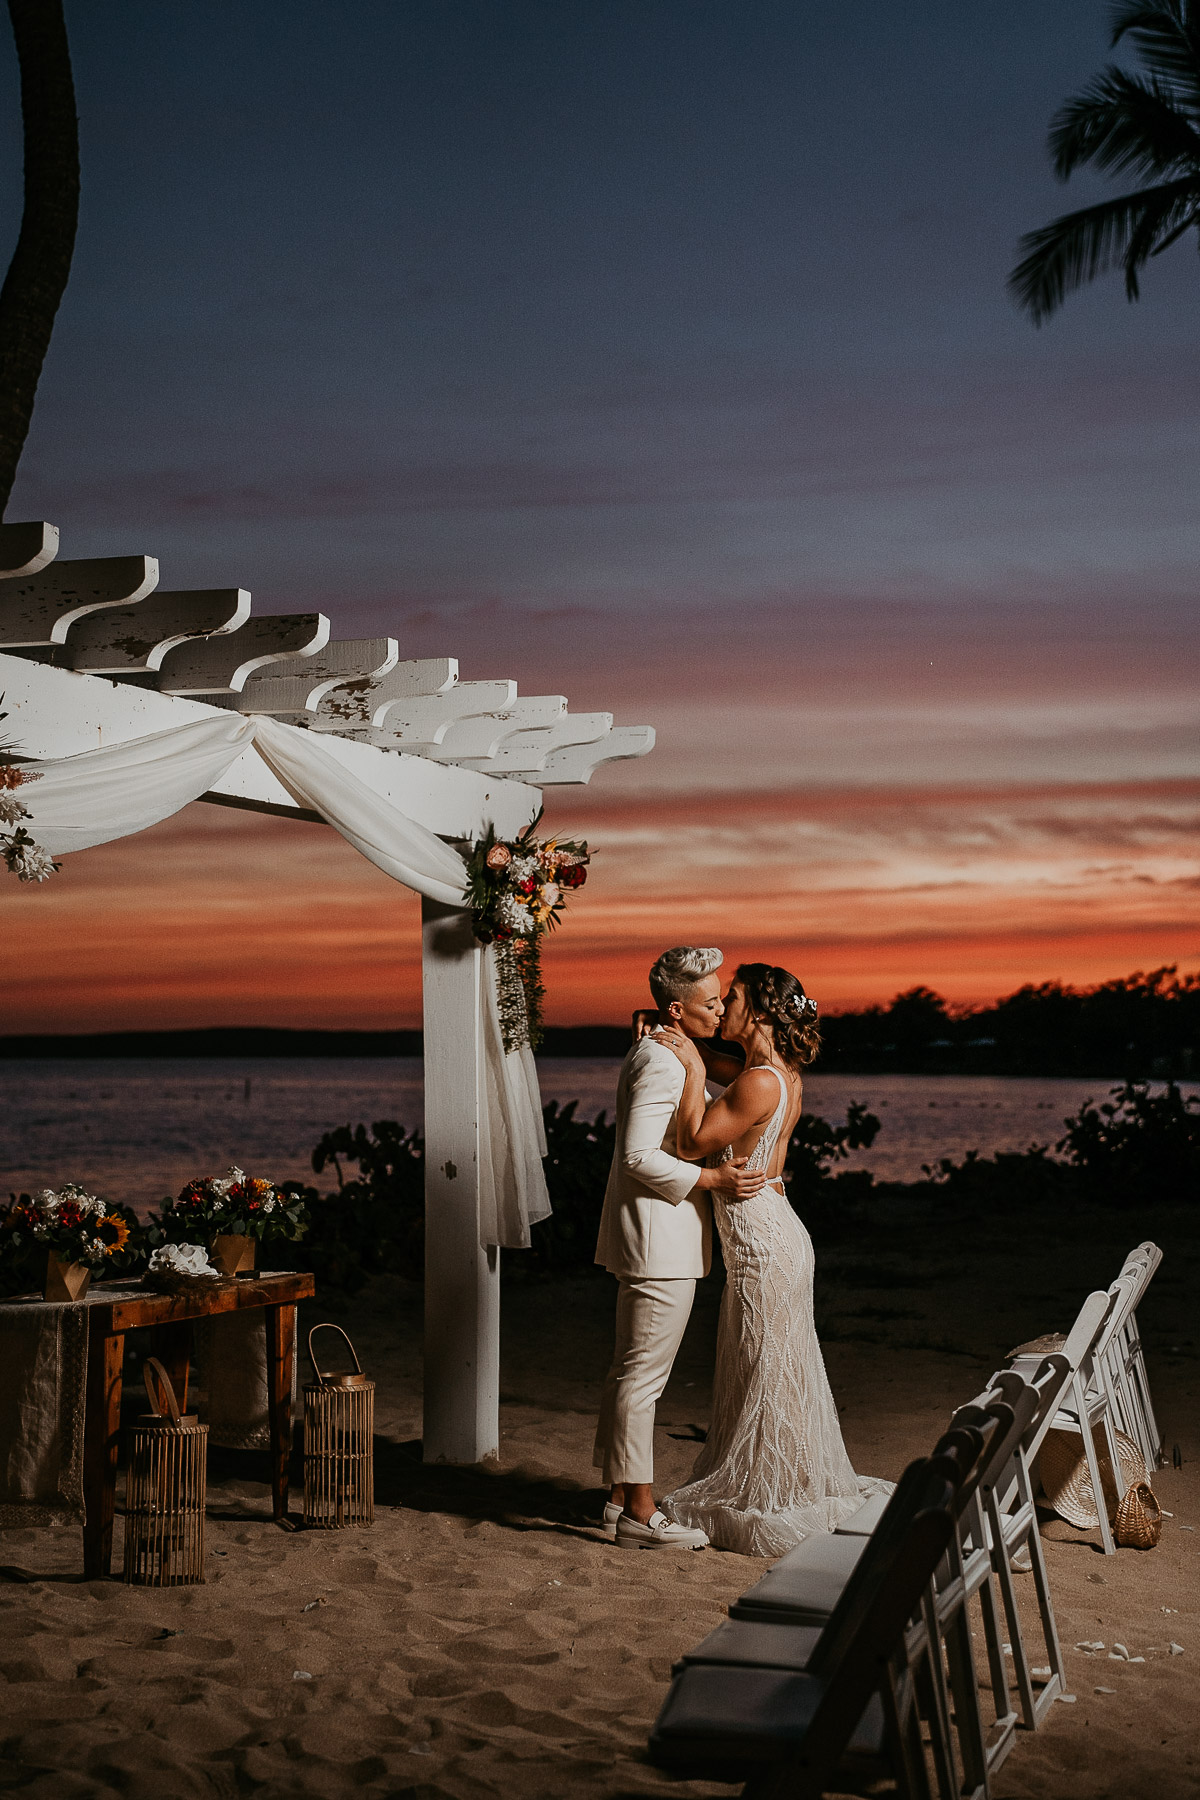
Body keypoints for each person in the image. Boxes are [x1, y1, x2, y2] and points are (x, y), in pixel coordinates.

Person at [654, 962, 892, 1556]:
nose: (720, 1005)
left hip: (763, 1244)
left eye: (730, 996)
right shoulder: (776, 1073)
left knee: (767, 1370)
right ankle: (783, 1480)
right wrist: (705, 1066)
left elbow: (688, 1144)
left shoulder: (759, 1080)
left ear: (757, 1011)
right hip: (776, 1232)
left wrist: (689, 1068)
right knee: (767, 1369)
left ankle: (775, 1494)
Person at [593, 946, 768, 1550]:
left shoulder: (663, 1050)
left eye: (724, 998)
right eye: (710, 1001)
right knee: (642, 1379)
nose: (720, 1009)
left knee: (628, 1373)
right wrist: (714, 1180)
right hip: (657, 1240)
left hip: (649, 1236)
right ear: (676, 1008)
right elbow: (638, 1157)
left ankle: (618, 1499)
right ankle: (641, 1513)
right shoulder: (664, 1063)